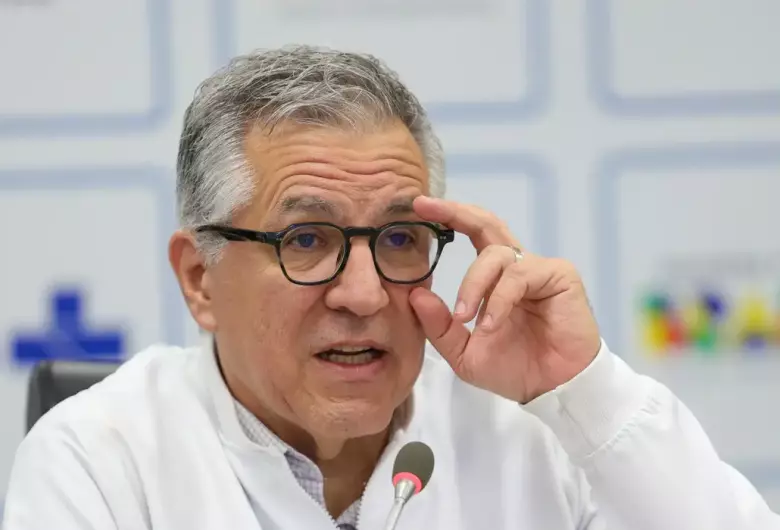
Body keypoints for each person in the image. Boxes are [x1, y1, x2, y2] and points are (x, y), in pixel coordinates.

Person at [3, 46, 778, 530]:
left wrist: (585, 391)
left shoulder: (534, 434)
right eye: (307, 240)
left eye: (400, 239)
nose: (366, 295)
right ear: (200, 278)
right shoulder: (102, 457)